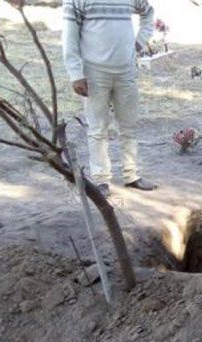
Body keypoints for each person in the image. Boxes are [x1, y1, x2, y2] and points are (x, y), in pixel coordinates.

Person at [62, 0, 158, 198]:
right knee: (97, 129)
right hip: (94, 73)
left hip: (127, 71)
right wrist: (75, 74)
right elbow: (69, 37)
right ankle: (101, 180)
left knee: (129, 126)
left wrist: (139, 42)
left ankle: (131, 175)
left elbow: (148, 12)